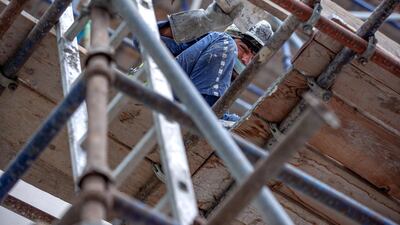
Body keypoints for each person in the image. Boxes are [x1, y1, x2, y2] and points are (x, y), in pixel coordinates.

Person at [135, 1, 273, 121]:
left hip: (185, 119)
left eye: (253, 58)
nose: (245, 60)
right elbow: (142, 38)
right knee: (225, 43)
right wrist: (206, 20)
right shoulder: (207, 42)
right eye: (243, 48)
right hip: (151, 93)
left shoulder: (221, 90)